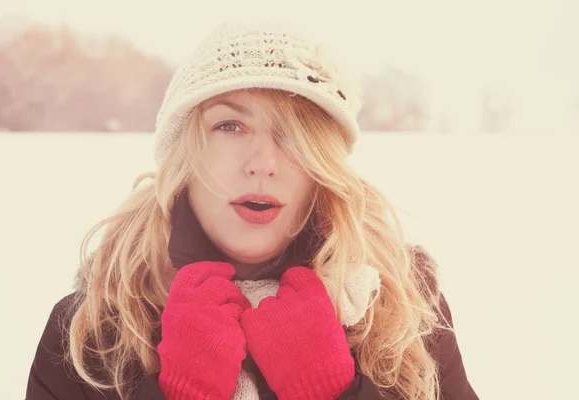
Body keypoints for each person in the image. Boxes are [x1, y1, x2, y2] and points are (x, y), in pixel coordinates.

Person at [25, 21, 479, 400]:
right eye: (230, 125)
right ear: (185, 152)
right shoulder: (93, 329)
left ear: (323, 163)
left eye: (296, 134)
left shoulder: (403, 309)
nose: (263, 164)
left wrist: (331, 392)